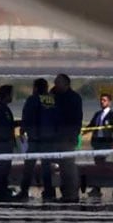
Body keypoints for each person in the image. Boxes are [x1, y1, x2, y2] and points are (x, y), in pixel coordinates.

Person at [50, 73, 83, 203]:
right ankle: (65, 193)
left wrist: (72, 135)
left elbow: (73, 119)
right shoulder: (56, 96)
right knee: (60, 167)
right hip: (57, 136)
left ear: (66, 84)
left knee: (68, 166)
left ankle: (72, 193)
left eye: (58, 83)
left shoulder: (73, 98)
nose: (56, 86)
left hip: (67, 136)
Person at [16, 78, 49, 201]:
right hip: (47, 138)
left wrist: (23, 129)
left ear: (35, 88)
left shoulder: (32, 100)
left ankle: (24, 191)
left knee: (29, 166)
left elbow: (27, 115)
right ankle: (49, 191)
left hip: (34, 138)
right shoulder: (50, 100)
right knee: (46, 166)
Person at [86, 93, 113, 197]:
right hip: (97, 142)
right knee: (98, 164)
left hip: (106, 142)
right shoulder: (97, 114)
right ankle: (97, 187)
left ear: (109, 102)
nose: (102, 102)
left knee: (102, 163)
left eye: (104, 100)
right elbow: (91, 125)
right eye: (101, 100)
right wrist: (82, 132)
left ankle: (106, 184)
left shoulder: (112, 115)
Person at [0, 85, 17, 202]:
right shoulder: (1, 109)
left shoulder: (2, 108)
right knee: (2, 168)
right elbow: (5, 126)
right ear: (6, 95)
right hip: (3, 142)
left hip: (4, 142)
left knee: (5, 167)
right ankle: (0, 192)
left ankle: (3, 189)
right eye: (11, 94)